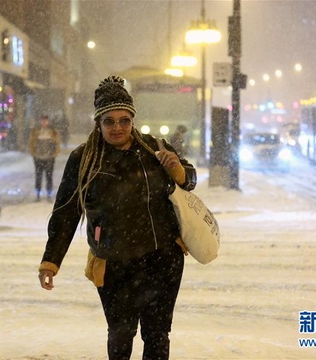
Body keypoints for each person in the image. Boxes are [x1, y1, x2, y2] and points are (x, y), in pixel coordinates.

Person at [38, 75, 197, 359]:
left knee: (157, 334)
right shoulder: (84, 158)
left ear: (132, 120)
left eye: (124, 120)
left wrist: (179, 170)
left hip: (162, 258)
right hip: (113, 262)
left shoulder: (154, 148)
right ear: (98, 123)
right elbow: (66, 212)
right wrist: (51, 260)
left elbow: (189, 181)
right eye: (109, 121)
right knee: (121, 334)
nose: (117, 127)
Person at [28, 115, 61, 202]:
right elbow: (31, 142)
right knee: (38, 176)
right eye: (42, 121)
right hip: (38, 157)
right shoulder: (36, 131)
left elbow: (57, 143)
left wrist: (55, 153)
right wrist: (33, 153)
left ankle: (49, 194)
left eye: (45, 121)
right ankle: (38, 194)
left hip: (49, 157)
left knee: (49, 176)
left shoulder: (53, 131)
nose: (44, 122)